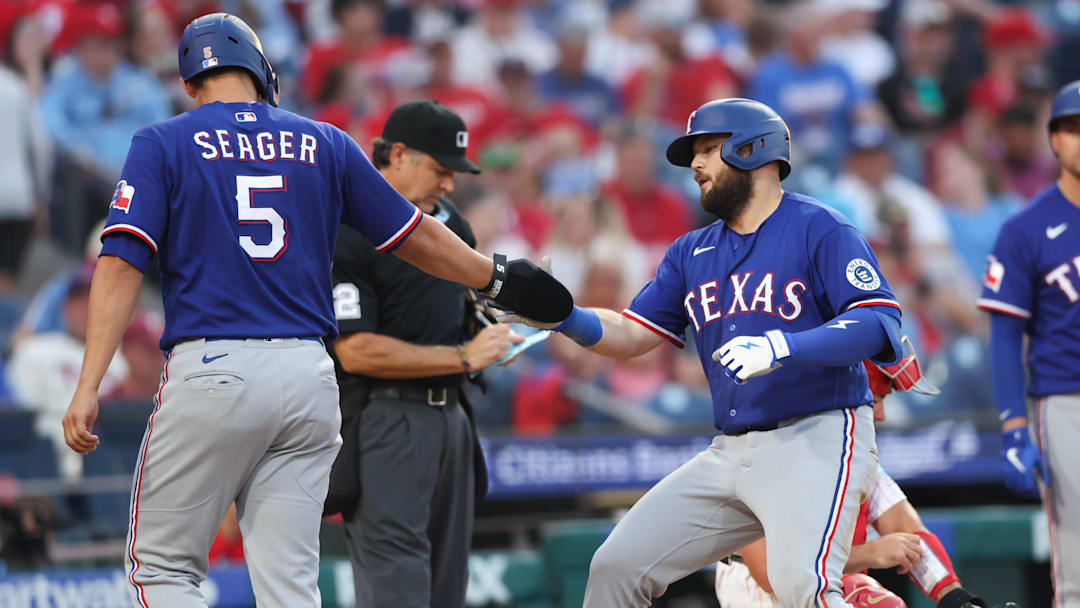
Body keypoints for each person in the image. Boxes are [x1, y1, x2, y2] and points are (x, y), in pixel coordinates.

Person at [58, 13, 571, 607]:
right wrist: (497, 276)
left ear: (191, 85)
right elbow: (416, 235)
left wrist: (89, 381)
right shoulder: (323, 140)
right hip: (309, 378)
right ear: (260, 70)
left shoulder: (163, 140)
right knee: (291, 589)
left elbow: (121, 264)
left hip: (215, 367)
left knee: (164, 572)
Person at [504, 97, 904, 607]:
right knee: (616, 567)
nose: (695, 164)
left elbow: (879, 320)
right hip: (733, 449)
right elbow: (632, 333)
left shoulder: (821, 227)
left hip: (818, 434)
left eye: (709, 149)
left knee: (804, 588)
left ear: (753, 149)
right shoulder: (692, 251)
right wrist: (564, 316)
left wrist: (785, 345)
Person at [326, 100, 519, 608]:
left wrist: (488, 332)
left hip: (453, 419)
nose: (450, 184)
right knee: (398, 593)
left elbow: (458, 309)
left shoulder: (452, 222)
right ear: (398, 155)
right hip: (387, 418)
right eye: (440, 169)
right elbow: (356, 350)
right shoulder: (349, 224)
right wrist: (462, 357)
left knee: (446, 592)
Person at [716, 352, 991, 608]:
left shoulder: (855, 458)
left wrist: (956, 600)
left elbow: (909, 533)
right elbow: (770, 572)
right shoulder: (761, 451)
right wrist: (870, 553)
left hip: (826, 587)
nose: (882, 414)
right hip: (760, 594)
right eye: (878, 398)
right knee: (868, 598)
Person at [977, 80, 1080, 608]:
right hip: (1066, 400)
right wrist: (1015, 427)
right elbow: (1003, 336)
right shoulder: (1026, 228)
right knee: (1078, 566)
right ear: (1053, 141)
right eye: (1071, 128)